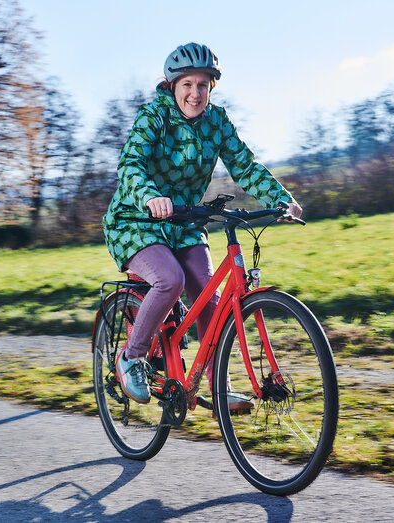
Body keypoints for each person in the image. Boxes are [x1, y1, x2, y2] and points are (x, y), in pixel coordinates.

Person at [101, 42, 302, 409]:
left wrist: (280, 199)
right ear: (172, 86)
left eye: (203, 85)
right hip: (138, 220)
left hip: (186, 221)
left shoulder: (217, 122)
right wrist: (149, 196)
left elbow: (245, 166)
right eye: (187, 85)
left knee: (210, 298)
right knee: (170, 280)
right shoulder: (154, 117)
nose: (195, 93)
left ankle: (218, 386)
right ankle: (132, 357)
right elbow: (131, 165)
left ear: (211, 87)